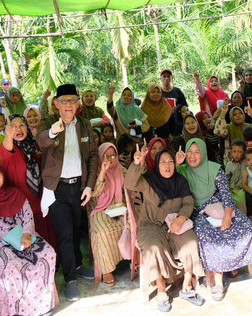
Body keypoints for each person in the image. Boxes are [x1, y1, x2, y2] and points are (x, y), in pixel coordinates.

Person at [177, 139, 252, 300]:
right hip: (197, 212)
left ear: (204, 153)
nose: (193, 156)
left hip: (220, 207)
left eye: (197, 152)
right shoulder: (181, 170)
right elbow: (166, 178)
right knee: (210, 239)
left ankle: (232, 263)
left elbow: (226, 196)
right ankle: (218, 280)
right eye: (190, 152)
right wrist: (176, 162)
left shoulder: (215, 169)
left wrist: (228, 216)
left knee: (245, 228)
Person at [37, 84, 98, 302]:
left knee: (76, 230)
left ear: (78, 103)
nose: (69, 105)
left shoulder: (85, 124)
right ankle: (70, 279)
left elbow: (92, 156)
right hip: (56, 188)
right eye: (64, 101)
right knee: (64, 234)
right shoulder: (48, 122)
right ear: (56, 103)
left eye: (73, 100)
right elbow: (41, 140)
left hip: (79, 187)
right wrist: (55, 130)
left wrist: (89, 185)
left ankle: (79, 265)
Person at [126, 146, 204, 311]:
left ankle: (187, 287)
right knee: (153, 248)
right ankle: (161, 289)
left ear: (175, 164)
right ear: (156, 164)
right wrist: (137, 163)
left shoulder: (180, 180)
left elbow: (188, 203)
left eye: (170, 162)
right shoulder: (149, 180)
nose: (167, 166)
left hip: (175, 222)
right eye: (163, 162)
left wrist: (181, 218)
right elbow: (129, 183)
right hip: (151, 225)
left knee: (190, 242)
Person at [0, 162, 56, 316]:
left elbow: (28, 215)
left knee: (48, 253)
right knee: (9, 267)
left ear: (3, 176)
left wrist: (26, 234)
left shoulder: (15, 193)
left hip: (22, 235)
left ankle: (42, 305)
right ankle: (15, 311)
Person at [1, 115, 56, 249]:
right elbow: (7, 148)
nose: (18, 129)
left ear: (27, 127)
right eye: (13, 126)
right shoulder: (9, 148)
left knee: (47, 234)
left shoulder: (33, 145)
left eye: (21, 125)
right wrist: (9, 135)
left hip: (40, 199)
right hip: (22, 204)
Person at [87, 143, 125, 286]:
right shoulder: (95, 171)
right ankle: (107, 269)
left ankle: (134, 257)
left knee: (132, 225)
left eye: (113, 155)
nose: (110, 159)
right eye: (106, 156)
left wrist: (139, 164)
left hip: (118, 208)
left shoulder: (120, 169)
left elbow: (132, 179)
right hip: (100, 210)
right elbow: (94, 193)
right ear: (101, 157)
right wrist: (102, 172)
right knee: (103, 231)